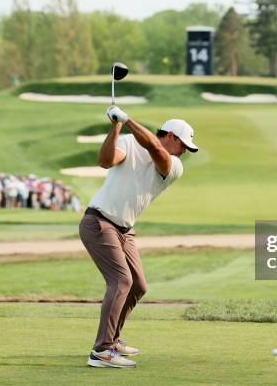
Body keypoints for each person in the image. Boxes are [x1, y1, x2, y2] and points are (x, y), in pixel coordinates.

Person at [79, 105, 198, 369]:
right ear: (172, 137)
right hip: (99, 221)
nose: (184, 153)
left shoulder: (174, 166)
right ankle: (102, 350)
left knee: (138, 286)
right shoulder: (129, 142)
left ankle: (112, 338)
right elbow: (105, 161)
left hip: (125, 229)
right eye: (183, 146)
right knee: (121, 280)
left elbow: (155, 149)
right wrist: (116, 127)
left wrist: (128, 119)